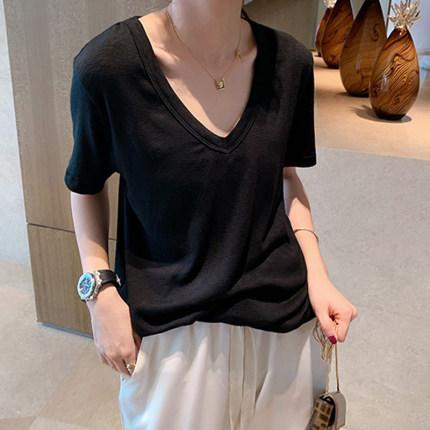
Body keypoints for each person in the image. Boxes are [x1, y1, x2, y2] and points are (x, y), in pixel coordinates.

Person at [64, 1, 359, 429]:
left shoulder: (290, 62)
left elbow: (285, 176)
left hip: (284, 326)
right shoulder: (108, 68)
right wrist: (100, 292)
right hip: (173, 333)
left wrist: (318, 274)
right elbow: (86, 183)